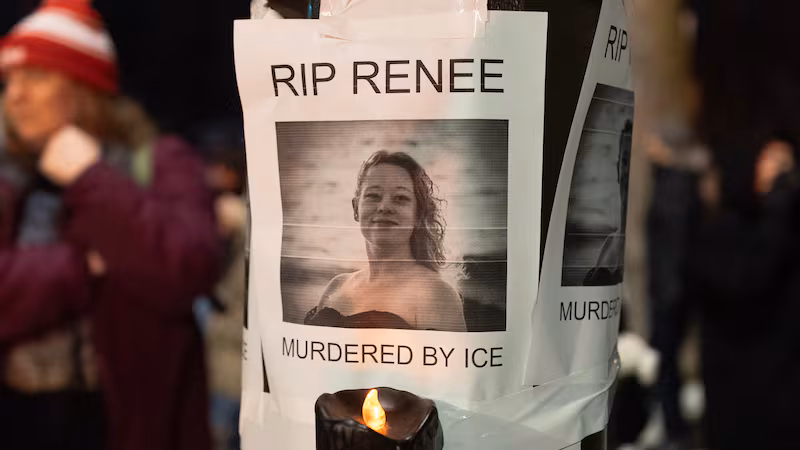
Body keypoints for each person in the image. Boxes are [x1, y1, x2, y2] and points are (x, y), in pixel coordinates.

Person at [0, 1, 220, 450]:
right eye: (8, 81)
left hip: (127, 423)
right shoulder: (8, 178)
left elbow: (188, 267)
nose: (14, 95)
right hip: (18, 416)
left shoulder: (157, 163)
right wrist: (82, 265)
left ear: (85, 88)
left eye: (36, 77)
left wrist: (89, 177)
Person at [305, 151, 466, 332]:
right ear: (355, 209)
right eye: (373, 196)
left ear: (418, 215)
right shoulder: (336, 286)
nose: (384, 207)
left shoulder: (437, 295)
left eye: (400, 198)